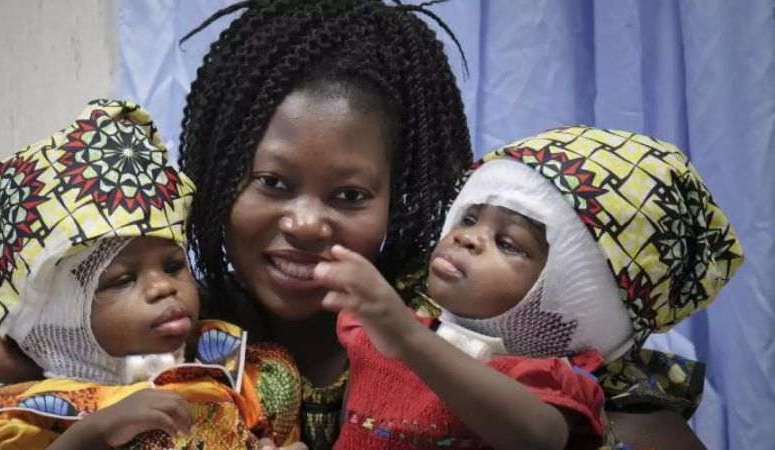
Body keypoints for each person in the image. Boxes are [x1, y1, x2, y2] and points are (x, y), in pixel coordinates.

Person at [0, 2, 714, 448]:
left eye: (350, 196)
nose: (306, 222)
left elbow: (621, 416)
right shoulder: (157, 324)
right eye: (271, 182)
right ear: (217, 174)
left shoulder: (468, 317)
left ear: (402, 195)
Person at [312, 125, 744, 449]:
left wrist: (406, 339)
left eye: (509, 243)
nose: (467, 237)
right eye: (467, 217)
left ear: (578, 296)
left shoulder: (547, 382)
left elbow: (540, 437)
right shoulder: (379, 334)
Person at [0, 99, 302, 449]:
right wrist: (92, 434)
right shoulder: (28, 416)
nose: (163, 286)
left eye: (174, 265)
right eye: (123, 279)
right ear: (63, 313)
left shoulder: (241, 375)